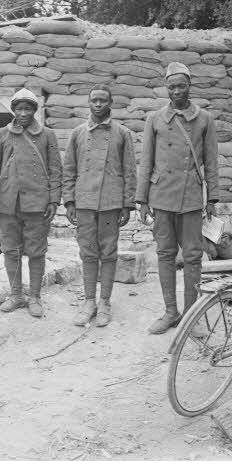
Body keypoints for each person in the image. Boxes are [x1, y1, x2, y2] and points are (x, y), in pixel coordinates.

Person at [137, 62, 220, 335]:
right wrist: (142, 199)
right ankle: (171, 312)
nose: (176, 92)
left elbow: (211, 161)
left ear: (189, 86)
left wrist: (212, 198)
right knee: (165, 254)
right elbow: (146, 161)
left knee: (194, 256)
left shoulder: (204, 118)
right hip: (161, 196)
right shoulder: (155, 119)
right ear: (166, 88)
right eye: (171, 87)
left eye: (181, 86)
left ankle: (191, 316)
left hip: (192, 197)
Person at [0, 89, 62, 318]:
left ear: (35, 111)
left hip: (37, 202)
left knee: (36, 252)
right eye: (19, 108)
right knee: (10, 250)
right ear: (13, 110)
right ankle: (16, 295)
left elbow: (56, 169)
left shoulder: (47, 135)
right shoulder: (1, 134)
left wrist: (54, 200)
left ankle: (35, 296)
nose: (23, 113)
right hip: (6, 201)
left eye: (28, 108)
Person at [62, 84, 137, 328]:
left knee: (109, 252)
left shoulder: (122, 133)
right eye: (94, 100)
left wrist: (127, 204)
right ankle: (89, 302)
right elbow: (69, 170)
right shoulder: (77, 133)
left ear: (110, 103)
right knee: (88, 252)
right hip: (84, 201)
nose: (97, 104)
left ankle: (105, 302)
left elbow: (129, 170)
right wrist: (70, 201)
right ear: (89, 102)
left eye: (102, 100)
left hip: (110, 202)